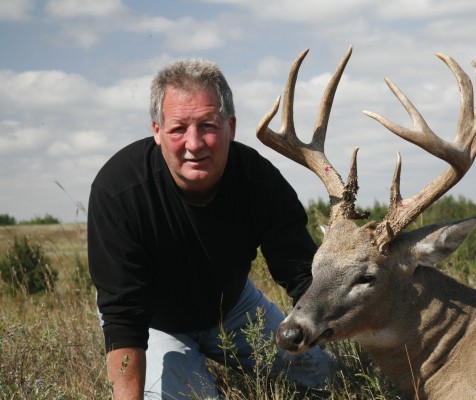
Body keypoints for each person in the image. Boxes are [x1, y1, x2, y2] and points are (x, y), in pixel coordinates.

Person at [88, 58, 333, 399]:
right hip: (155, 322)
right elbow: (123, 316)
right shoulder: (119, 191)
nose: (194, 143)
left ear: (230, 127)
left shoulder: (259, 181)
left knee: (327, 378)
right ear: (157, 131)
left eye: (207, 125)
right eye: (178, 128)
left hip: (234, 307)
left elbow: (302, 275)